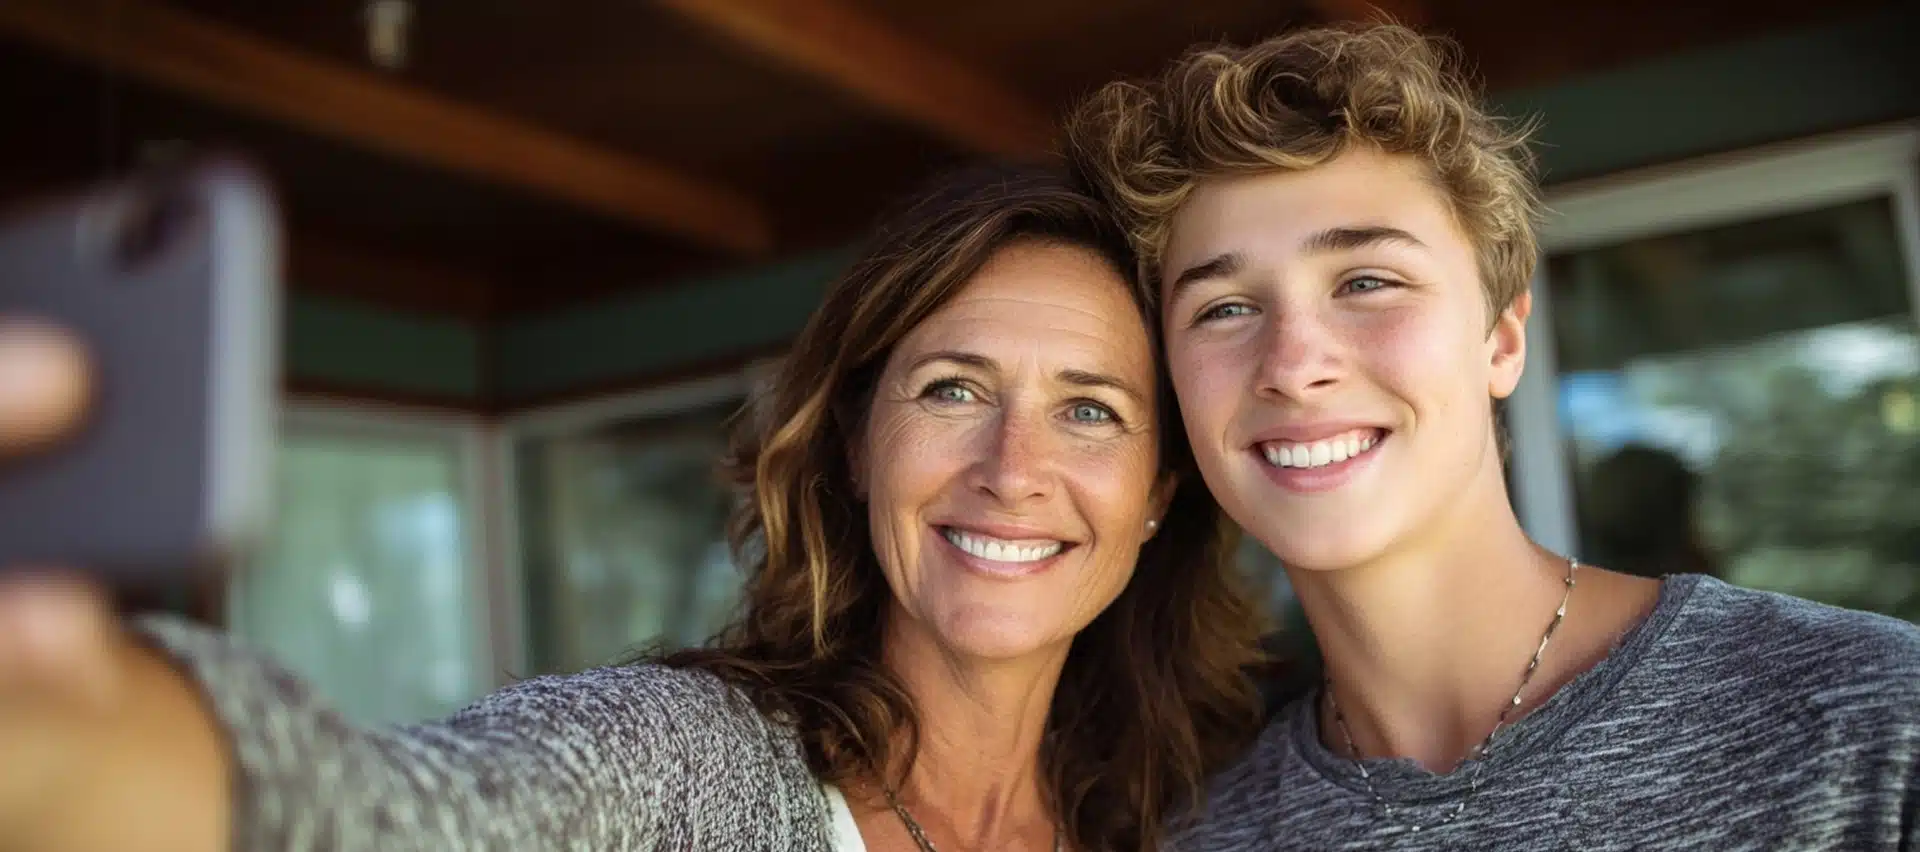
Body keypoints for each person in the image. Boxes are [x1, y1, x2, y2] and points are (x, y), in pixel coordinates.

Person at [0, 164, 1271, 852]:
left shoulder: (1173, 814)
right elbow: (369, 814)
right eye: (953, 389)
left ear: (1159, 492)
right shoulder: (683, 767)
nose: (1013, 465)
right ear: (853, 446)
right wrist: (64, 735)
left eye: (1092, 409)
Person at [1066, 22, 1920, 850]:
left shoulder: (1867, 724)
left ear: (1503, 341)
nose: (1293, 364)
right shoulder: (1206, 837)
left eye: (1366, 281)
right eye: (1224, 308)